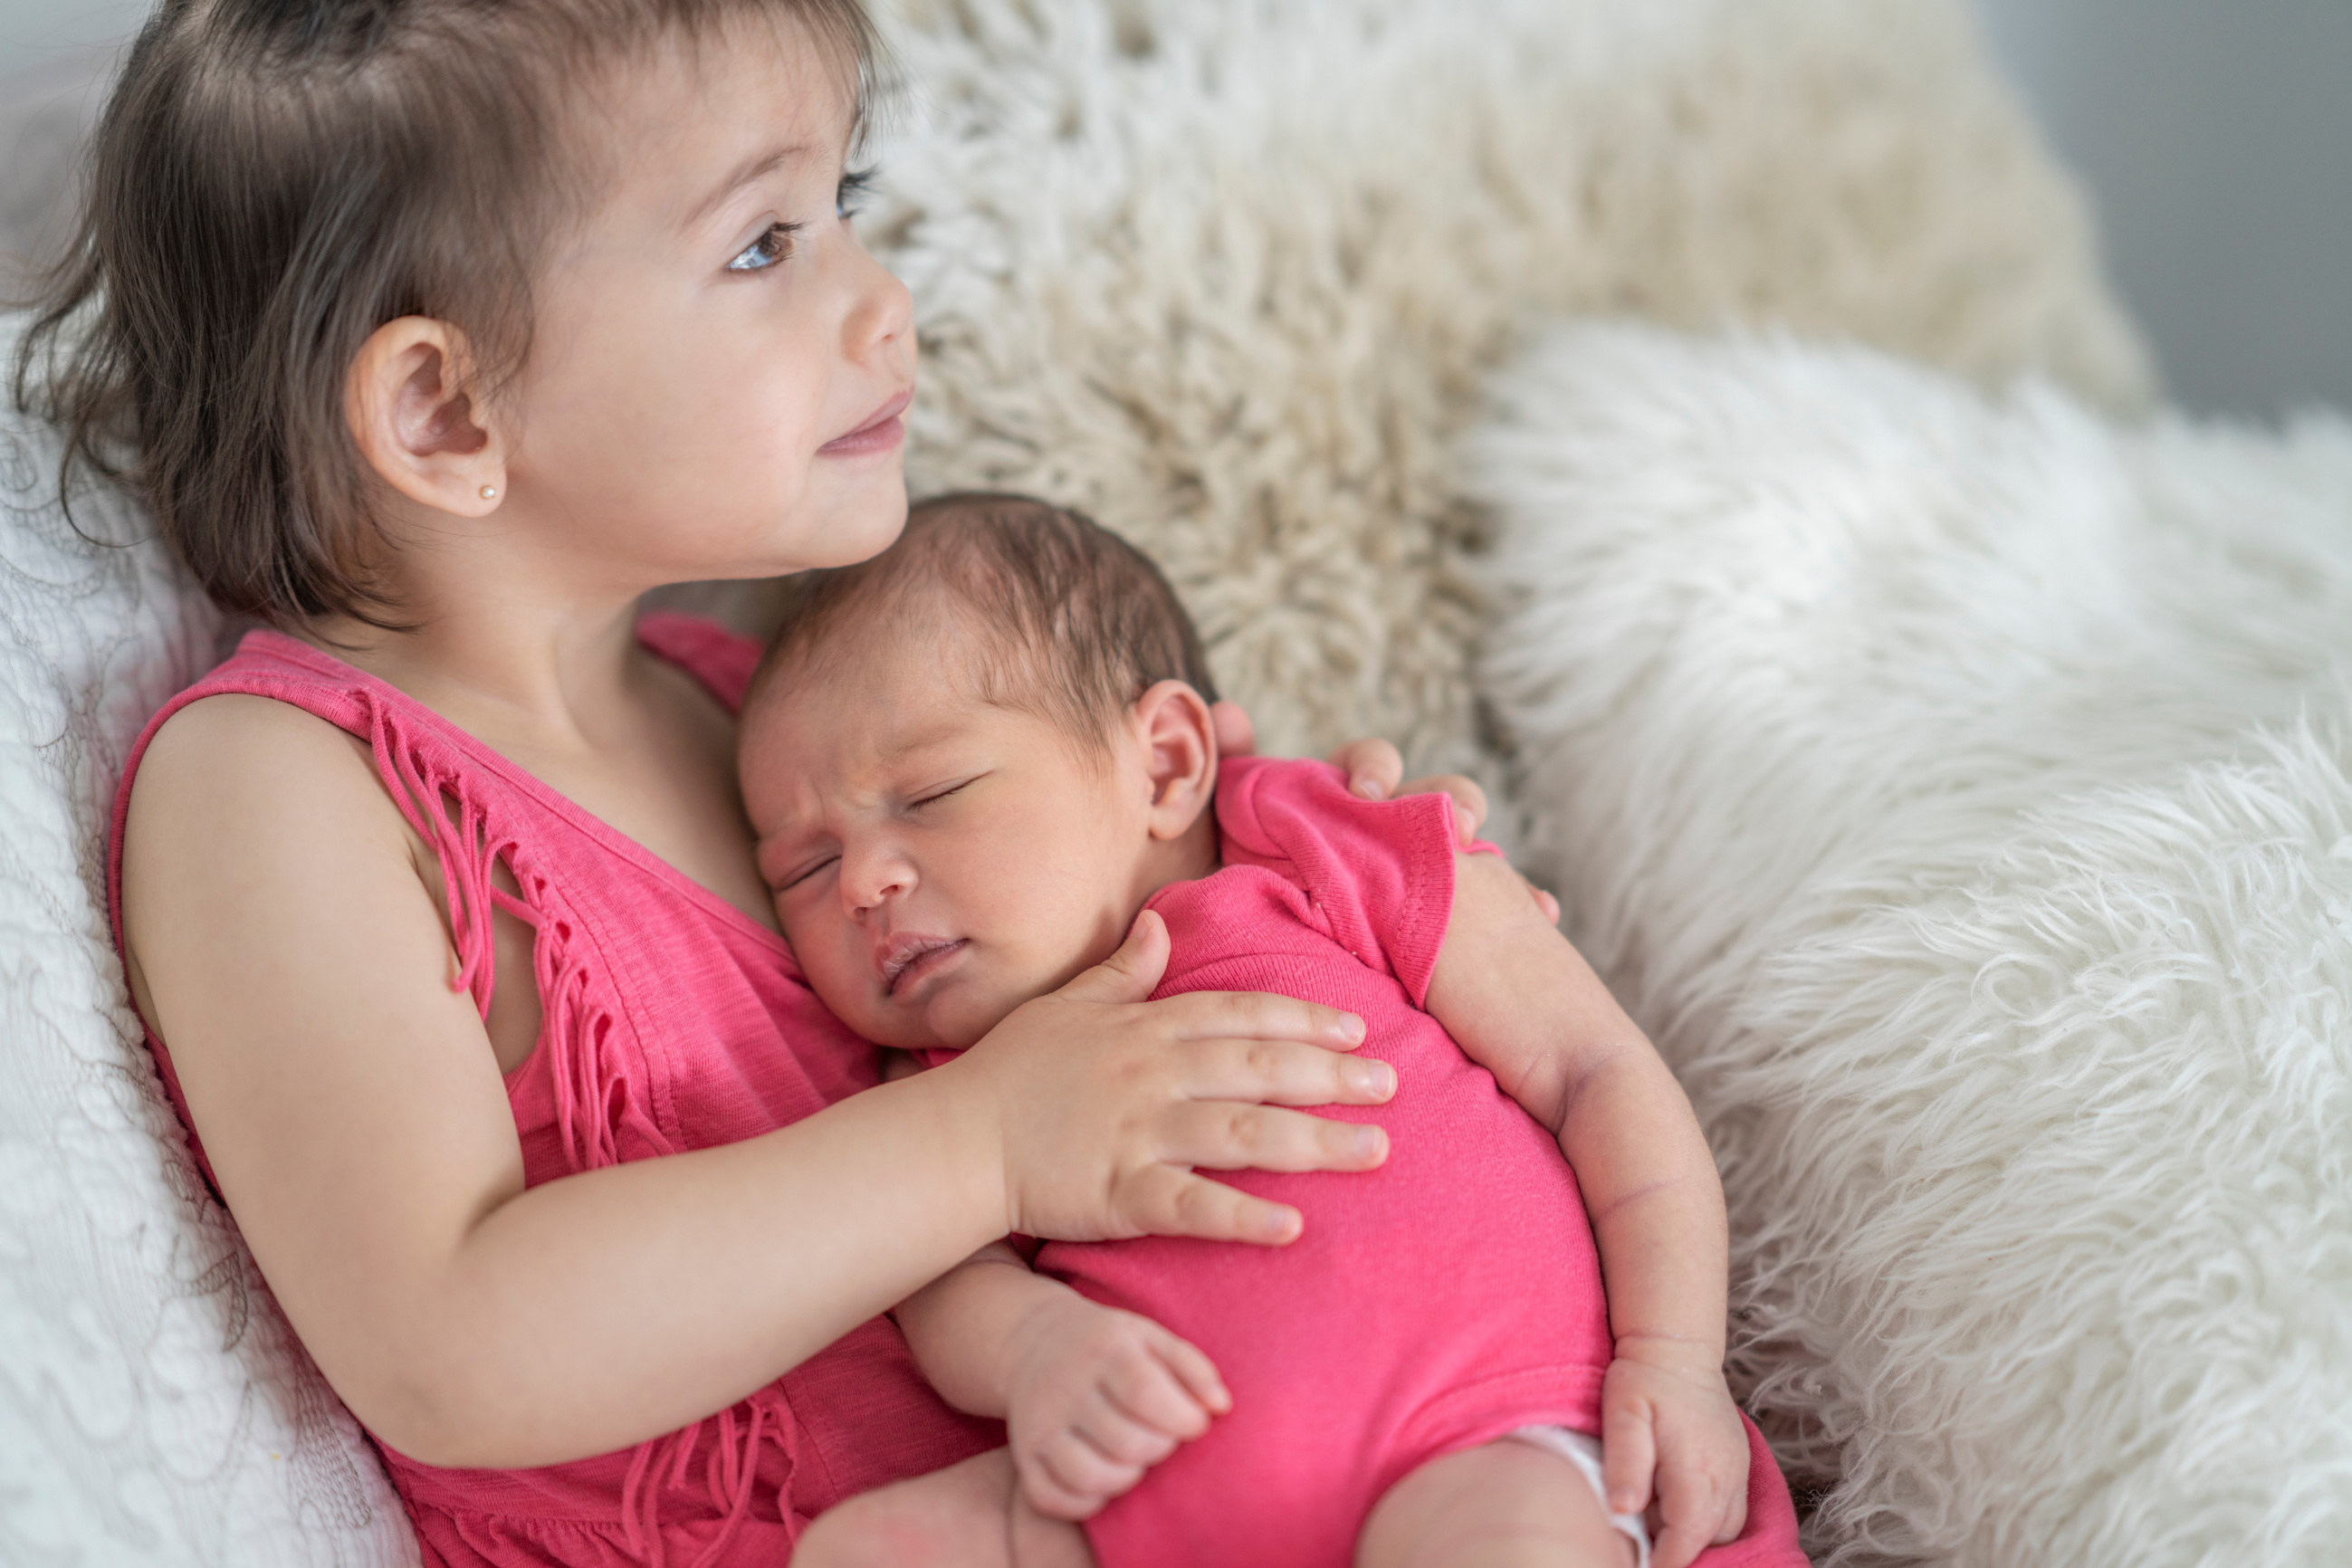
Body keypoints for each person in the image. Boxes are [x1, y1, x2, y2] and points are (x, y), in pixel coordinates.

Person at [18, 2, 1598, 1563]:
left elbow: (1099, 970)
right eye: (764, 246)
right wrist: (981, 1141)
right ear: (445, 410)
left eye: (837, 207)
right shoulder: (280, 789)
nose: (884, 302)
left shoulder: (768, 725)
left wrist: (1260, 850)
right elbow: (447, 1340)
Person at [739, 496, 1809, 1568]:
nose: (867, 882)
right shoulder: (944, 1082)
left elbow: (1595, 1067)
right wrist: (1032, 1347)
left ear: (1162, 761)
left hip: (1481, 1440)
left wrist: (1673, 1357)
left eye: (930, 793)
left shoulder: (1318, 847)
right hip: (1145, 1485)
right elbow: (937, 1275)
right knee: (868, 1547)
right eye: (806, 867)